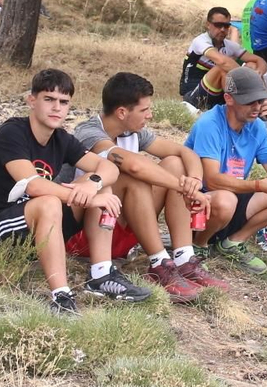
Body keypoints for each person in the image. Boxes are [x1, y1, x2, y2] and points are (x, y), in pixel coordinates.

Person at [0, 69, 146, 313]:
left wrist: (93, 184)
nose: (56, 108)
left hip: (34, 227)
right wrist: (88, 198)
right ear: (32, 101)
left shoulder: (61, 139)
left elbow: (108, 167)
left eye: (63, 102)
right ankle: (61, 297)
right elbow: (33, 185)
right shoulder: (12, 133)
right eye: (49, 99)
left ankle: (101, 275)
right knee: (49, 201)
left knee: (104, 186)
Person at [71, 73, 227, 303]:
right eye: (144, 110)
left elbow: (186, 153)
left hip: (122, 226)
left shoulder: (133, 131)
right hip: (87, 236)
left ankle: (183, 259)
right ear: (122, 112)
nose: (150, 115)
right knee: (129, 175)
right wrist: (184, 189)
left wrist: (193, 179)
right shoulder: (89, 132)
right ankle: (159, 263)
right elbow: (133, 165)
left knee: (174, 164)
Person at [192, 67, 267, 274]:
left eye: (260, 101)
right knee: (226, 200)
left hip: (231, 196)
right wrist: (257, 185)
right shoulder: (210, 123)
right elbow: (211, 180)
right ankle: (198, 245)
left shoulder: (256, 126)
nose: (257, 107)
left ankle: (233, 243)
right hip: (201, 201)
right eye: (250, 101)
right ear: (229, 99)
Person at [180, 7, 267, 110]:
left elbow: (259, 61)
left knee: (252, 65)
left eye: (226, 26)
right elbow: (222, 62)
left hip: (216, 94)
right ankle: (242, 107)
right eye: (218, 25)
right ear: (208, 25)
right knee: (222, 68)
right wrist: (247, 79)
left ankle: (259, 104)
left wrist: (258, 73)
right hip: (193, 95)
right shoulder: (200, 41)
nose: (222, 29)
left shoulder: (229, 45)